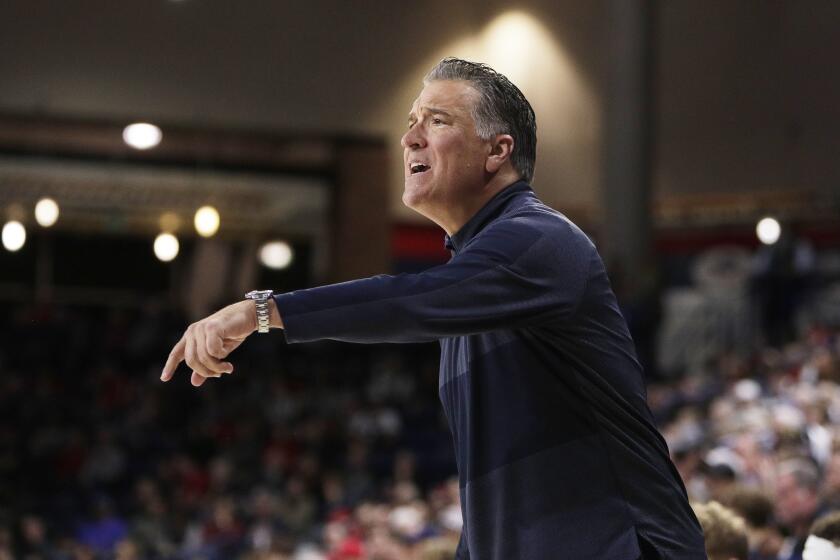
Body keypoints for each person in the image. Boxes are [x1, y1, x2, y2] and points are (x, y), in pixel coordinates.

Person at [161, 57, 706, 559]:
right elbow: (495, 490)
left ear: (498, 151)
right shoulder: (476, 281)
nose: (409, 137)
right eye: (411, 120)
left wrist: (262, 310)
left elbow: (409, 300)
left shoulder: (541, 241)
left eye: (437, 121)